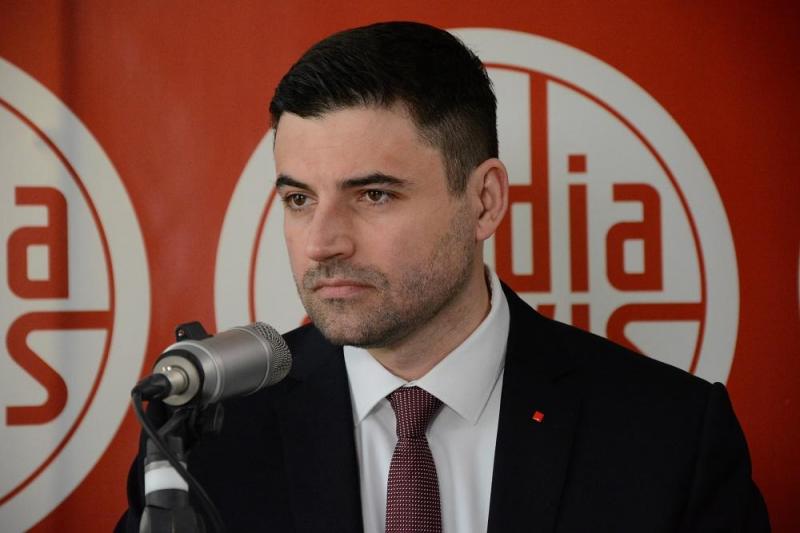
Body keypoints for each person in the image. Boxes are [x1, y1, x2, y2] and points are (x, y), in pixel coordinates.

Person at [118, 21, 769, 532]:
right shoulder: (202, 442)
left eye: (374, 195)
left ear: (484, 201)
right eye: (298, 199)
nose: (320, 242)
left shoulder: (667, 436)